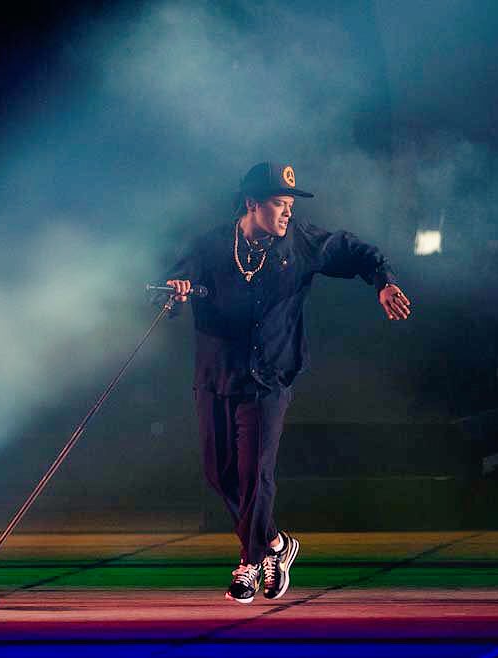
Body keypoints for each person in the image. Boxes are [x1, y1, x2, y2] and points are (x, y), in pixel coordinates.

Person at [163, 162, 410, 603]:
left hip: (270, 378)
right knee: (219, 473)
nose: (286, 214)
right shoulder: (211, 245)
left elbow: (355, 252)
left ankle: (250, 563)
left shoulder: (299, 241)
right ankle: (277, 544)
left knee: (256, 473)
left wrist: (383, 284)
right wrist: (176, 293)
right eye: (279, 204)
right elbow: (175, 282)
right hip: (217, 376)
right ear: (252, 203)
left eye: (290, 206)